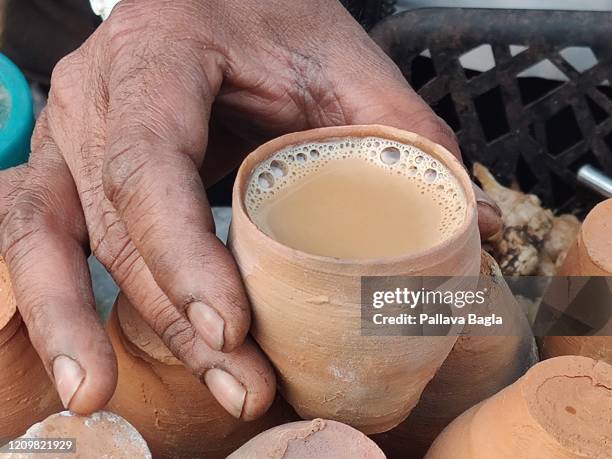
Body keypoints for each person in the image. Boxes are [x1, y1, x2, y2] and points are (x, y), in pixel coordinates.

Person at [0, 0, 502, 420]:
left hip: (491, 67)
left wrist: (564, 310)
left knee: (535, 309)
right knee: (152, 204)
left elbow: (563, 313)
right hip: (169, 52)